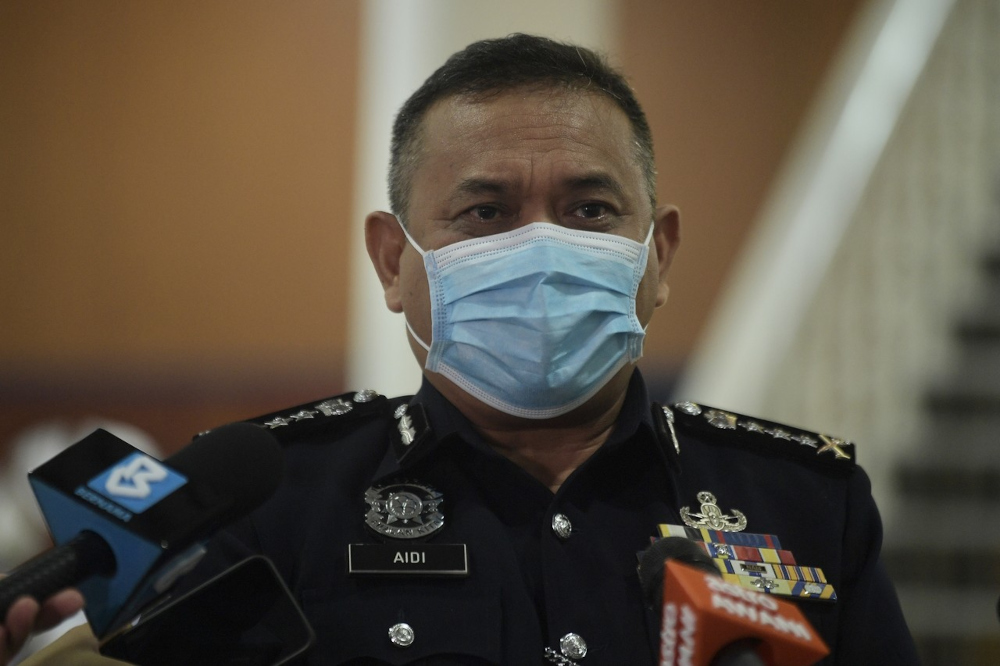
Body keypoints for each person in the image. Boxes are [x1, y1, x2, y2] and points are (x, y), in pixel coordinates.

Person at [2, 34, 918, 665]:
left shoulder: (806, 503)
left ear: (659, 255)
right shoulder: (267, 508)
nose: (544, 246)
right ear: (393, 262)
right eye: (485, 213)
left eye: (590, 209)